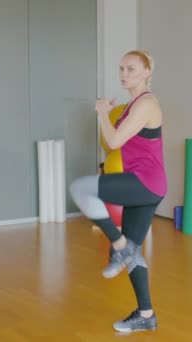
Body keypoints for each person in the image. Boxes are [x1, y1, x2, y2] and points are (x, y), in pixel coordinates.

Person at [69, 50, 167, 333]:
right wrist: (109, 113)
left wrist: (101, 112)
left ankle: (120, 247)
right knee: (136, 253)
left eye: (132, 69)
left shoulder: (146, 104)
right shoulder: (131, 104)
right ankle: (146, 315)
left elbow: (112, 143)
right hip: (148, 183)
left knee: (80, 188)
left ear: (147, 71)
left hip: (145, 182)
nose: (124, 74)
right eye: (122, 68)